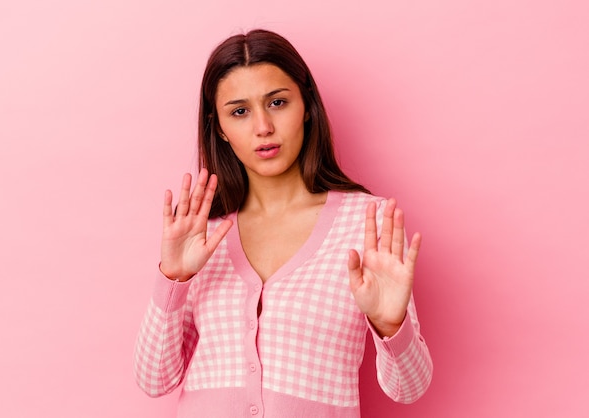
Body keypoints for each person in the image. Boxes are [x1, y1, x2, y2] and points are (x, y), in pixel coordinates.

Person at [134, 29, 432, 417]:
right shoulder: (202, 236)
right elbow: (154, 380)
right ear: (220, 127)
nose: (263, 127)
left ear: (306, 105)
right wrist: (173, 277)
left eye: (276, 102)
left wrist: (391, 325)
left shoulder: (366, 224)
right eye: (239, 111)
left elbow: (409, 389)